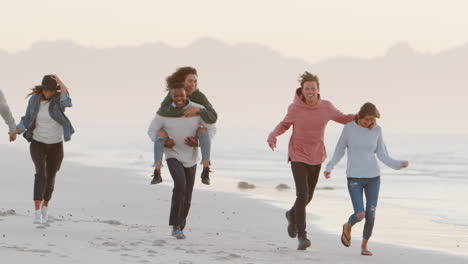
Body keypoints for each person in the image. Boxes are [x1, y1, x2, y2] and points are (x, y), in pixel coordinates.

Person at [267, 71, 359, 250]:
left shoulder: (326, 107)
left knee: (308, 196)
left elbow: (343, 118)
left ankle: (291, 215)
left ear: (318, 90)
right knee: (302, 195)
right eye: (307, 88)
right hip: (297, 154)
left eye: (313, 88)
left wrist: (361, 116)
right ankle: (302, 236)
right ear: (302, 90)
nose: (310, 91)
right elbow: (284, 124)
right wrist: (273, 135)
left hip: (316, 155)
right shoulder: (294, 108)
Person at [324, 102, 409, 256]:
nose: (369, 123)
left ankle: (364, 246)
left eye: (372, 120)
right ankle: (348, 225)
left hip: (373, 178)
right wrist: (330, 167)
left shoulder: (377, 130)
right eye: (366, 119)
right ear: (360, 116)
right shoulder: (349, 128)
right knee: (360, 214)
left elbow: (382, 154)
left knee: (371, 214)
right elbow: (339, 150)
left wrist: (398, 165)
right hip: (354, 176)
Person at [148, 83, 216, 239]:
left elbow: (211, 128)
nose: (179, 99)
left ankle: (181, 225)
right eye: (175, 96)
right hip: (172, 155)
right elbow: (152, 130)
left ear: (187, 96)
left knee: (188, 193)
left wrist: (198, 143)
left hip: (191, 157)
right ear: (171, 97)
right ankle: (176, 226)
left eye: (182, 96)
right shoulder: (164, 113)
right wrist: (164, 142)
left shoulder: (196, 109)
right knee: (180, 185)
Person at [15, 75, 74, 224]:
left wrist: (60, 81)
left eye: (51, 90)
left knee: (51, 176)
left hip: (56, 145)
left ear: (55, 90)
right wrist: (17, 130)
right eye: (45, 90)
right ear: (42, 89)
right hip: (37, 142)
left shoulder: (58, 101)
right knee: (40, 173)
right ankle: (36, 212)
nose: (48, 93)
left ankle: (45, 208)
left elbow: (68, 100)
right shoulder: (35, 100)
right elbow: (27, 118)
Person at [151, 66, 217, 185]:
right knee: (160, 133)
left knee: (203, 130)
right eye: (190, 81)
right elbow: (164, 111)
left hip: (193, 138)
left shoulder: (199, 96)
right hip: (174, 147)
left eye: (195, 81)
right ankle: (157, 170)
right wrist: (185, 110)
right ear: (182, 82)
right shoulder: (173, 93)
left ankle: (206, 168)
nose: (193, 84)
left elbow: (213, 117)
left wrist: (198, 111)